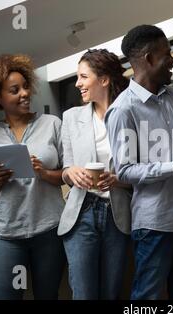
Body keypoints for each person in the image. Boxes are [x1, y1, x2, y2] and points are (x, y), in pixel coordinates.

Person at [105, 25, 173, 300]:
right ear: (149, 59)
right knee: (147, 297)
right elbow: (125, 171)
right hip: (156, 224)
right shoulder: (122, 110)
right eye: (167, 54)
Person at [0, 54, 66, 299]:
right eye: (14, 90)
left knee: (48, 296)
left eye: (26, 86)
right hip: (6, 235)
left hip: (49, 231)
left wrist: (44, 172)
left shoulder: (52, 124)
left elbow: (67, 175)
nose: (25, 93)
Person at [57, 48, 131, 300]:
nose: (77, 83)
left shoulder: (129, 115)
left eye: (83, 77)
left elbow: (143, 170)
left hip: (118, 213)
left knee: (111, 293)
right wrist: (71, 173)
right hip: (82, 212)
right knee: (84, 294)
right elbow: (66, 169)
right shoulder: (70, 118)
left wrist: (119, 180)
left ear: (104, 79)